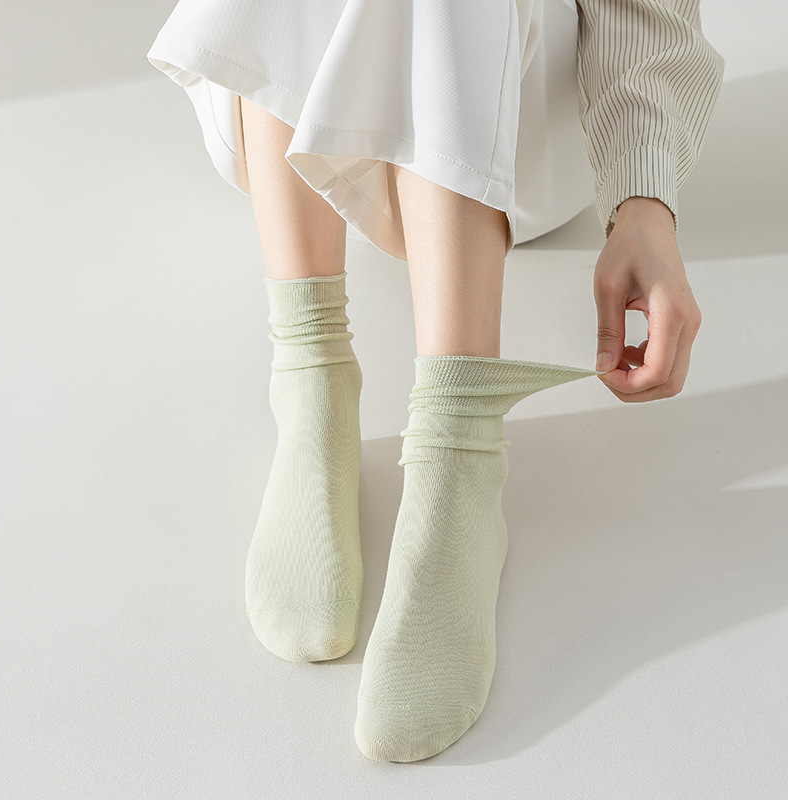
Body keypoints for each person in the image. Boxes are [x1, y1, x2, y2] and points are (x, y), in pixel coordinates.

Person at [148, 0, 724, 762]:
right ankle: (311, 371)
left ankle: (460, 444)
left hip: (506, 119)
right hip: (323, 108)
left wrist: (643, 201)